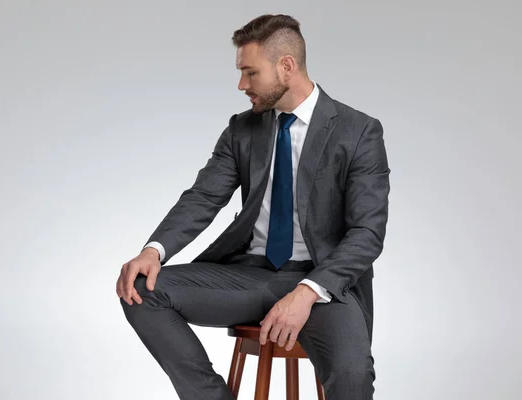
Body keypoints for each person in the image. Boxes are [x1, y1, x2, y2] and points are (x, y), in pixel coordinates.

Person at [118, 13, 390, 400]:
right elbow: (204, 196)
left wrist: (308, 291)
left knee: (352, 374)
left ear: (286, 66)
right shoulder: (242, 129)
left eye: (250, 73)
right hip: (247, 277)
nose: (241, 84)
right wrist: (153, 250)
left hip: (324, 284)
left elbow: (368, 233)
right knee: (139, 289)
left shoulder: (358, 131)